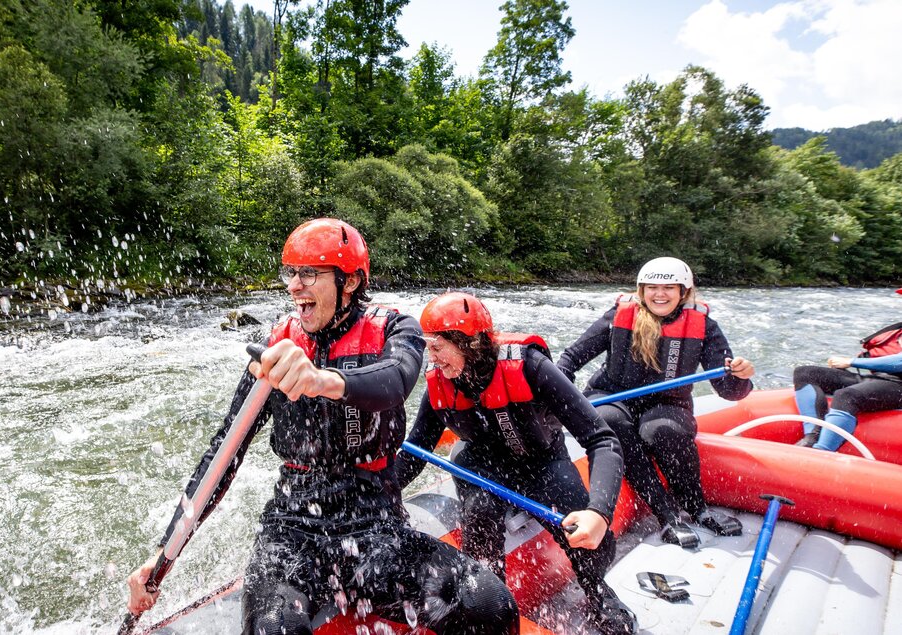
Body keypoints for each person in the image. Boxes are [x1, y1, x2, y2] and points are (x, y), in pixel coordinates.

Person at [127, 219, 519, 635]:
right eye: (290, 273)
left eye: (309, 273)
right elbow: (224, 453)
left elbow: (395, 381)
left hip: (374, 523)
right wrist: (164, 554)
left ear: (349, 281)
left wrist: (320, 380)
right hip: (292, 529)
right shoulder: (276, 346)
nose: (295, 285)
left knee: (491, 607)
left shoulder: (393, 329)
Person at [395, 292, 637, 635]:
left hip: (541, 459)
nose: (430, 360)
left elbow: (601, 438)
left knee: (578, 514)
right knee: (479, 511)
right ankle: (490, 603)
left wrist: (599, 512)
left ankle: (598, 593)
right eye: (427, 348)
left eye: (437, 347)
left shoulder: (530, 365)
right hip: (481, 465)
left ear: (471, 342)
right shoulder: (439, 383)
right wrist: (378, 492)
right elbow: (414, 453)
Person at [557, 257, 755, 549]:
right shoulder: (618, 315)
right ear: (641, 289)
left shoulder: (704, 326)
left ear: (683, 292)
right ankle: (667, 516)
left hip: (668, 403)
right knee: (610, 423)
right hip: (613, 395)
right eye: (652, 287)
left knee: (661, 430)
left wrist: (741, 377)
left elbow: (729, 391)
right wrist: (554, 393)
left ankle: (697, 507)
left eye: (668, 288)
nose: (659, 294)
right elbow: (571, 358)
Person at [793, 289, 902, 451]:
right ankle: (812, 436)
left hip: (899, 386)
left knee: (847, 396)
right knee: (805, 373)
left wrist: (852, 362)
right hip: (879, 379)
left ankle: (823, 451)